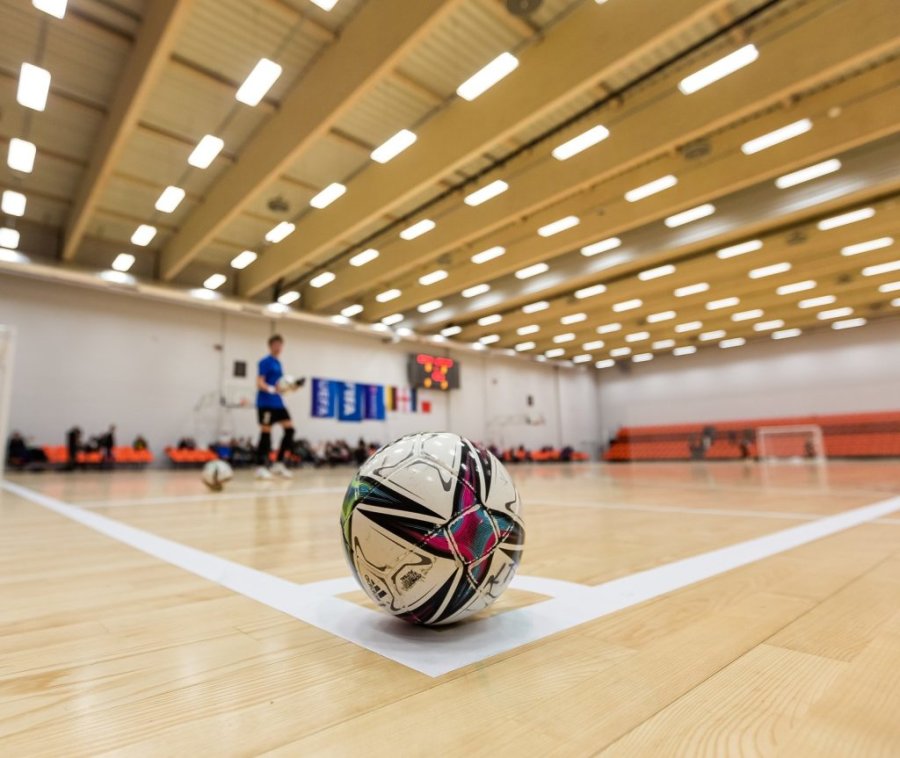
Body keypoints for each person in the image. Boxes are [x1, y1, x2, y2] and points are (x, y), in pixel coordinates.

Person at [255, 334, 297, 480]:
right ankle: (261, 466)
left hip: (278, 402)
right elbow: (259, 382)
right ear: (271, 345)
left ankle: (278, 463)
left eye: (281, 345)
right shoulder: (265, 362)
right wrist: (272, 389)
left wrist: (292, 387)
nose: (278, 347)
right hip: (265, 402)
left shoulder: (278, 363)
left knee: (290, 430)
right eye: (276, 344)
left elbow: (281, 385)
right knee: (266, 433)